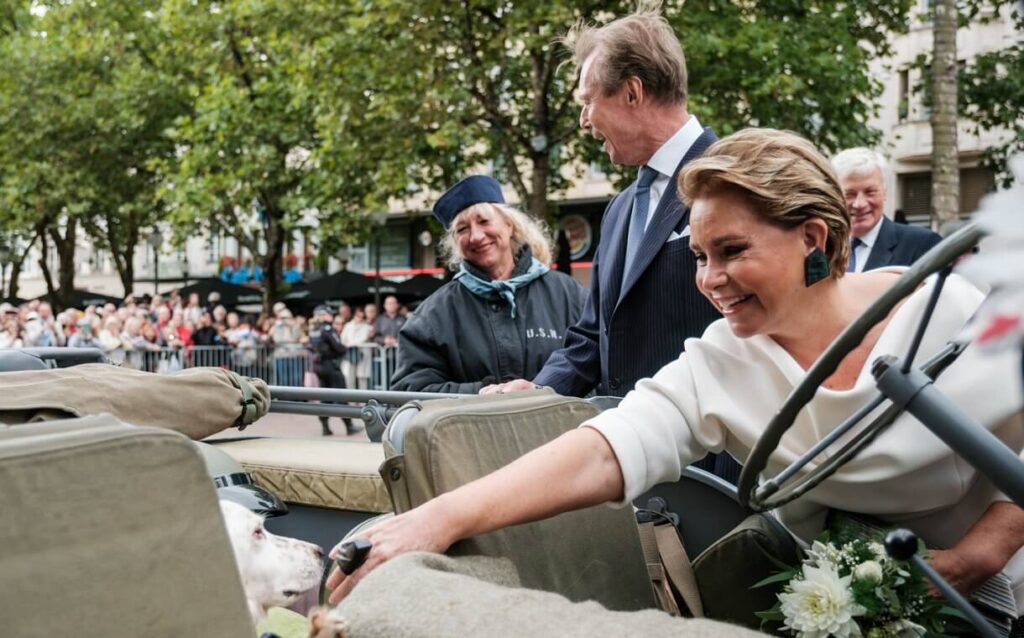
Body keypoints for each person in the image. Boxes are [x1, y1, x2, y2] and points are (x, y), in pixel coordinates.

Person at [324, 129, 1024, 614]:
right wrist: (433, 520)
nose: (709, 280)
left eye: (730, 251)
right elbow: (605, 448)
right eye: (697, 255)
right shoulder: (722, 358)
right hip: (845, 597)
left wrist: (981, 553)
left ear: (812, 236)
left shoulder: (945, 311)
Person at [482, 8, 720, 400]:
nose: (582, 120)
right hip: (628, 450)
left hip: (708, 456)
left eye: (588, 101)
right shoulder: (620, 209)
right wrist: (539, 391)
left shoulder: (735, 180)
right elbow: (593, 335)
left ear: (632, 92)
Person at [390, 175, 587, 394]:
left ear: (509, 225)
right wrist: (480, 394)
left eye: (484, 221)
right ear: (454, 242)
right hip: (473, 429)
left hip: (564, 428)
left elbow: (599, 368)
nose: (476, 236)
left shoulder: (569, 295)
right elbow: (410, 390)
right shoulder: (433, 315)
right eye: (462, 229)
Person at [831, 147, 942, 273]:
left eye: (870, 192)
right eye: (849, 194)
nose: (859, 204)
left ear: (884, 193)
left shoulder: (921, 244)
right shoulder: (821, 247)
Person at [310, 305, 361, 436]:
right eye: (329, 313)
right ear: (323, 315)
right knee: (341, 395)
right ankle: (349, 426)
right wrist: (344, 348)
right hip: (331, 365)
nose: (331, 315)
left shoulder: (313, 329)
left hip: (319, 366)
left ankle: (325, 427)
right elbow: (338, 347)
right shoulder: (328, 329)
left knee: (324, 398)